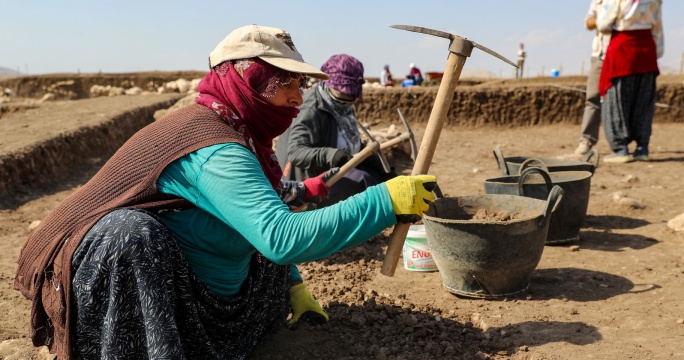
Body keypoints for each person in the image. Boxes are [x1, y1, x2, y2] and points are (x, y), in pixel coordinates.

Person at [14, 25, 437, 359]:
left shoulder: (242, 133)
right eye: (282, 81)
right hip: (104, 284)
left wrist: (293, 285)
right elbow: (280, 237)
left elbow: (263, 210)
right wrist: (384, 200)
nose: (296, 94)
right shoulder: (214, 146)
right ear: (247, 78)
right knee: (129, 233)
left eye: (299, 82)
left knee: (256, 216)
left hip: (192, 280)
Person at [277, 54, 395, 208]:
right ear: (328, 84)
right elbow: (295, 152)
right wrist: (331, 155)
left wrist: (382, 167)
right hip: (309, 184)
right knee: (365, 182)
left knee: (378, 178)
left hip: (333, 169)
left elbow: (351, 145)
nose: (348, 98)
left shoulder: (340, 106)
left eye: (351, 95)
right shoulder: (311, 110)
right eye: (343, 93)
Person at [597, 0, 663, 163]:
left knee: (616, 101)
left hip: (622, 50)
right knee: (643, 101)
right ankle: (642, 148)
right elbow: (658, 28)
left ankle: (620, 149)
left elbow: (603, 24)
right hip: (647, 51)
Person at [574, 0, 611, 156]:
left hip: (623, 56)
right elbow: (589, 22)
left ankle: (621, 145)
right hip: (600, 56)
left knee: (621, 100)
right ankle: (587, 140)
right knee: (592, 97)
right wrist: (606, 19)